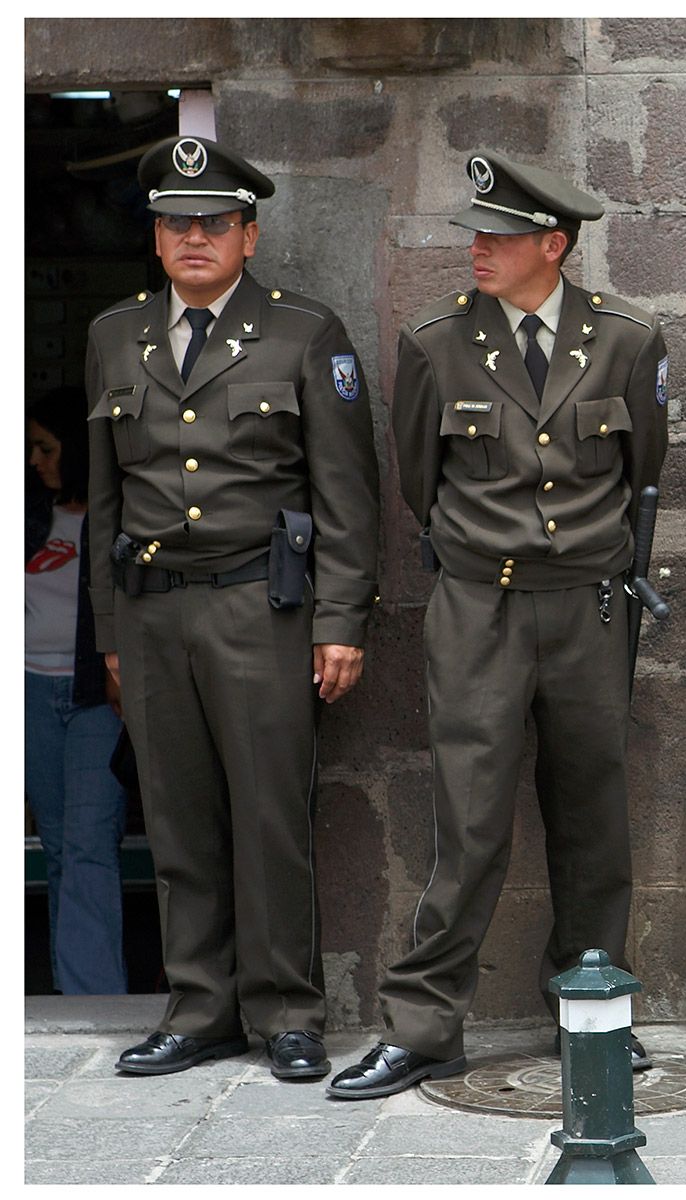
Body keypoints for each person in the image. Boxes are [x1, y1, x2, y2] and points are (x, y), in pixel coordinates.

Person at [330, 152, 668, 1100]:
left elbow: (643, 464)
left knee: (593, 813)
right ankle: (426, 1024)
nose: (478, 248)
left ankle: (593, 1008)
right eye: (476, 234)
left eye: (500, 236)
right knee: (469, 820)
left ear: (552, 246)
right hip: (478, 606)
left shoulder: (628, 340)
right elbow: (418, 485)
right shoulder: (437, 343)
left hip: (589, 607)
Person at [88, 136, 379, 1079]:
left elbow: (346, 493)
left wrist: (339, 620)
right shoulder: (113, 335)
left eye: (214, 223)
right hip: (154, 607)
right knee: (176, 818)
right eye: (176, 224)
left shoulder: (304, 332)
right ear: (157, 239)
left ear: (249, 236)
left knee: (267, 816)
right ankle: (199, 1006)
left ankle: (289, 1010)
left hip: (262, 606)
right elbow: (102, 502)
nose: (194, 238)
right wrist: (110, 635)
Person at [27, 387, 129, 996]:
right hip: (31, 694)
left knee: (91, 845)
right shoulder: (28, 513)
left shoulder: (114, 518)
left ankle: (99, 1002)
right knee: (60, 848)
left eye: (46, 447)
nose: (35, 460)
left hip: (96, 696)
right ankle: (76, 994)